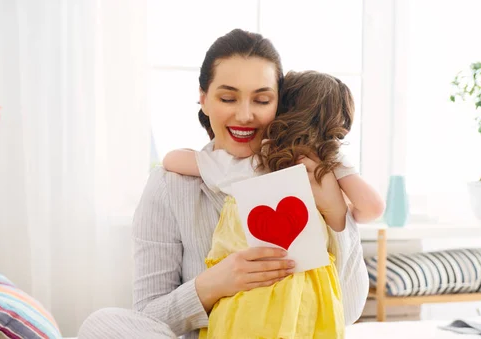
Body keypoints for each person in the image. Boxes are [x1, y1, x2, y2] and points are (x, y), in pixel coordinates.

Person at [78, 28, 370, 339]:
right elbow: (147, 317)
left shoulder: (309, 180)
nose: (245, 115)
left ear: (280, 106)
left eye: (262, 99)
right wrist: (213, 284)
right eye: (228, 97)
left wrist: (337, 214)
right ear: (203, 99)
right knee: (102, 323)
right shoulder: (170, 186)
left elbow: (348, 312)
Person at [161, 70, 384, 338]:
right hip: (311, 291)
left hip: (248, 294)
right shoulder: (329, 164)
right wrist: (339, 206)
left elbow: (171, 160)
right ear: (340, 123)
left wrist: (207, 152)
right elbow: (373, 208)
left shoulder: (247, 160)